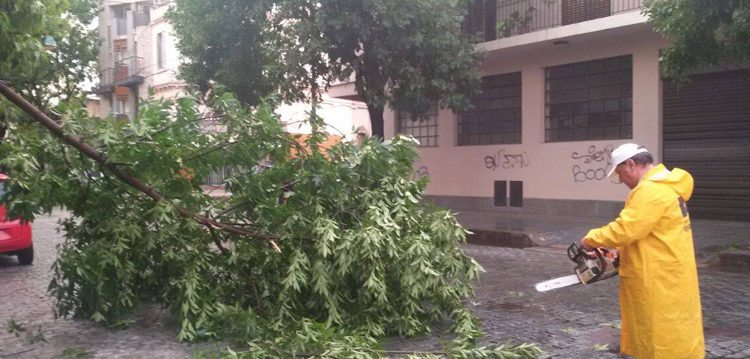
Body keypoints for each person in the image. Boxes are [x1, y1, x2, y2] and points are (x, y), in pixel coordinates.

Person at [580, 143, 704, 359]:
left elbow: (626, 228)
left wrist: (591, 239)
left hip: (658, 278)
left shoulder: (650, 190)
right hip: (670, 273)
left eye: (620, 174)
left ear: (630, 164)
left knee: (660, 334)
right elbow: (646, 229)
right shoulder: (667, 186)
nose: (620, 180)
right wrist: (617, 250)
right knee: (676, 329)